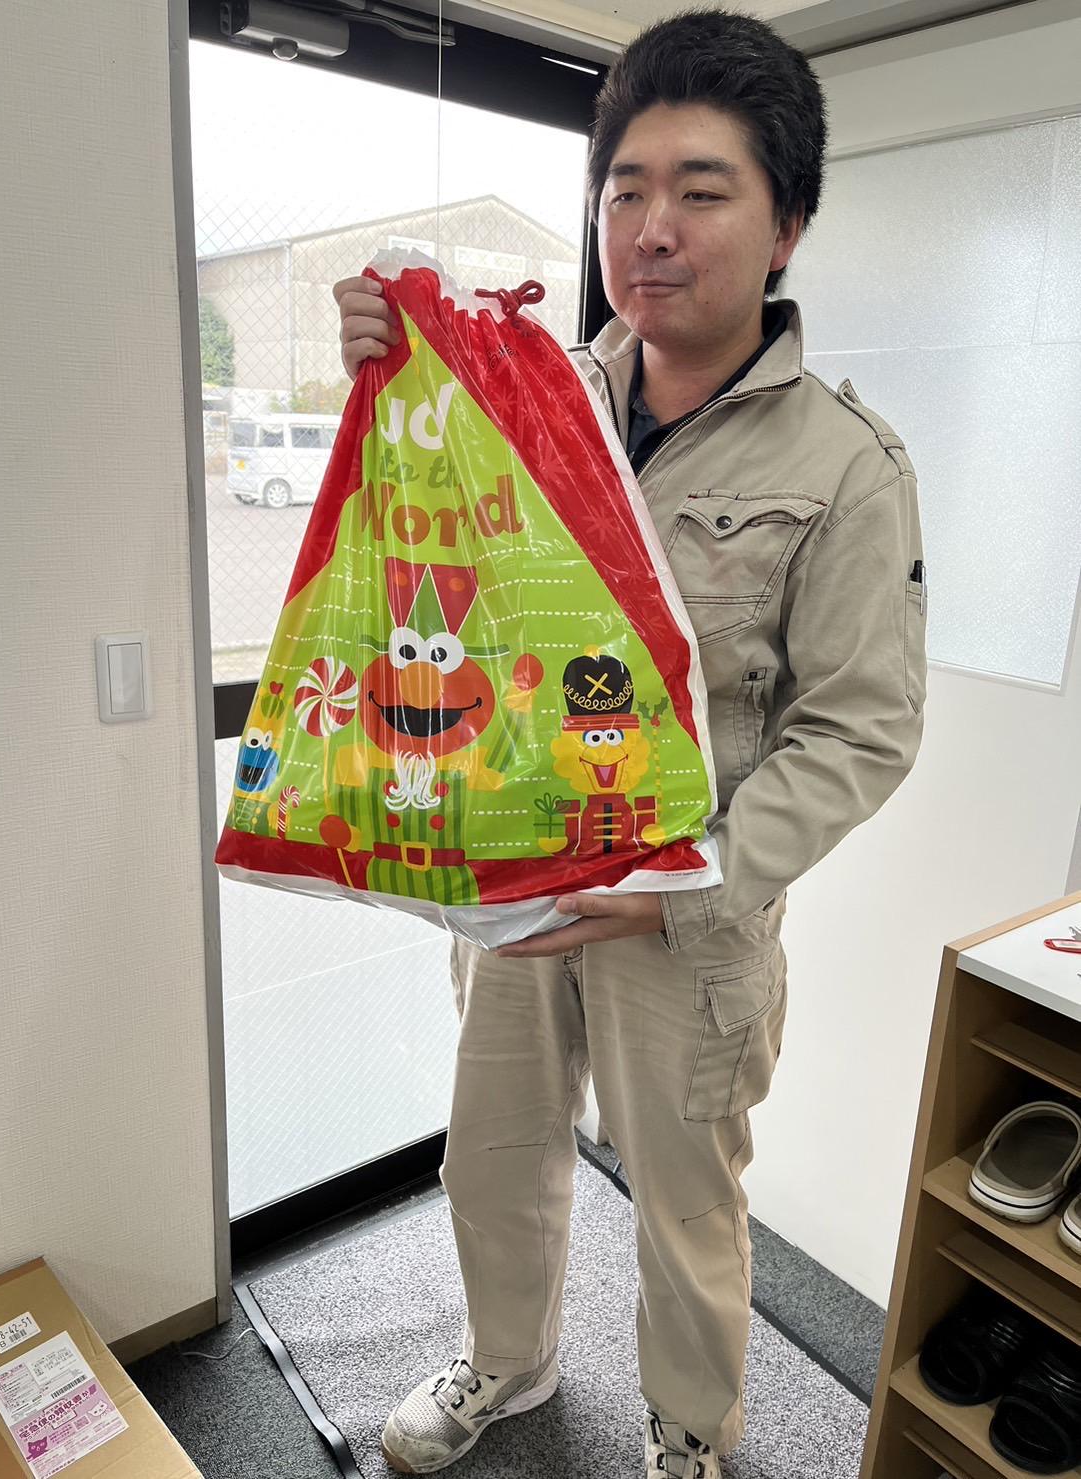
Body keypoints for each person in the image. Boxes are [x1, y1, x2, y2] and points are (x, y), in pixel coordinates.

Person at [334, 8, 927, 1476]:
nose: (650, 229)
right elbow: (444, 579)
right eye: (625, 189)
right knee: (492, 1151)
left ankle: (688, 1433)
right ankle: (508, 1362)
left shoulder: (846, 466)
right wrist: (392, 380)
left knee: (683, 1200)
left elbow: (861, 728)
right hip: (522, 886)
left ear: (786, 227)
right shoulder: (535, 403)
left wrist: (691, 875)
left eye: (701, 191)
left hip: (690, 915)